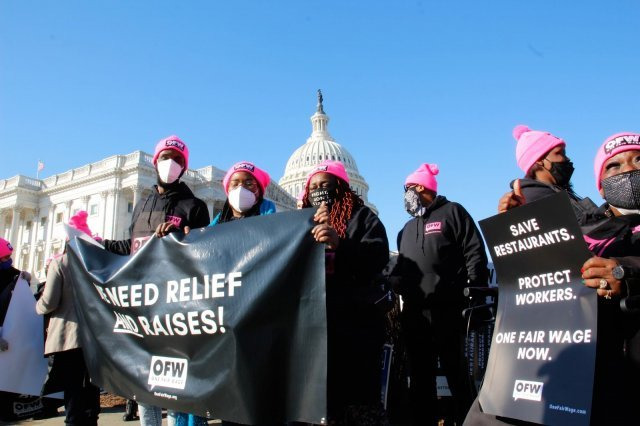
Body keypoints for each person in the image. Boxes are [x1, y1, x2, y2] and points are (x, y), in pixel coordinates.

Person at [102, 135, 210, 426]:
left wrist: (178, 241)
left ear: (184, 167)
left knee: (173, 388)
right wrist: (98, 244)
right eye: (166, 157)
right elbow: (131, 247)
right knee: (145, 389)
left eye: (177, 159)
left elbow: (204, 254)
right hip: (141, 302)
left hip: (175, 304)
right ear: (156, 160)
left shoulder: (195, 206)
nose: (170, 163)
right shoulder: (141, 205)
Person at [389, 163, 489, 425]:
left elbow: (474, 251)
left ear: (421, 187)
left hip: (448, 309)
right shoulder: (406, 230)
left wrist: (475, 290)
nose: (405, 196)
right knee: (420, 375)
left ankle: (467, 420)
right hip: (415, 314)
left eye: (407, 189)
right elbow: (401, 266)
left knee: (455, 371)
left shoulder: (453, 212)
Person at [302, 160, 390, 425]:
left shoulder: (363, 218)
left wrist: (341, 244)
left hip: (356, 328)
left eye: (325, 185)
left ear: (341, 187)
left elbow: (376, 258)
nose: (319, 190)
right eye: (313, 186)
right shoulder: (301, 224)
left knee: (358, 402)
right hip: (316, 328)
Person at [36, 211, 101, 426]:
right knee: (91, 386)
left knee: (72, 389)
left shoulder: (60, 264)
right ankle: (91, 419)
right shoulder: (97, 265)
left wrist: (37, 306)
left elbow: (50, 302)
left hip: (68, 337)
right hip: (94, 336)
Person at [498, 125, 596, 215]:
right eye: (559, 153)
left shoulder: (558, 192)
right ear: (539, 159)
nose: (567, 158)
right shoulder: (536, 198)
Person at [209, 161, 274, 225]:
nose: (240, 189)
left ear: (259, 189)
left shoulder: (273, 224)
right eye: (235, 184)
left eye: (249, 184)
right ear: (228, 189)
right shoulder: (215, 228)